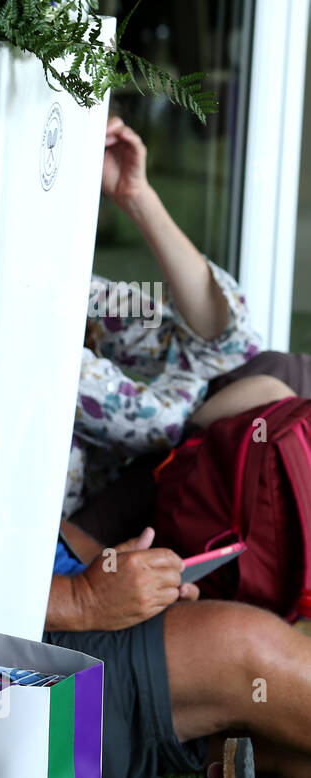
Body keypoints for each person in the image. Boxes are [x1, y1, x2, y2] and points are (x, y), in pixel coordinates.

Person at [65, 115, 278, 525]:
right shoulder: (194, 383)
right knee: (221, 341)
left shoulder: (162, 423)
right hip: (202, 402)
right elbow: (225, 340)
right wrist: (136, 196)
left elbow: (39, 330)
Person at [45, 517, 311, 778]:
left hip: (66, 617)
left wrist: (133, 582)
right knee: (243, 645)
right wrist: (82, 597)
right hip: (29, 657)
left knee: (284, 750)